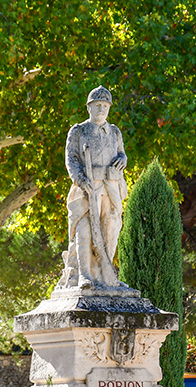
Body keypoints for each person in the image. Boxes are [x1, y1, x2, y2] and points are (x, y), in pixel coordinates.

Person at [58, 86, 128, 290]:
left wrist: (122, 159)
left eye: (105, 106)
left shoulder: (114, 131)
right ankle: (84, 275)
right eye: (98, 105)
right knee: (85, 230)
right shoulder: (79, 131)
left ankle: (106, 276)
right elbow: (70, 158)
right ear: (89, 107)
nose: (102, 109)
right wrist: (80, 178)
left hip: (111, 187)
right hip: (87, 187)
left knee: (111, 228)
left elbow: (121, 153)